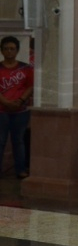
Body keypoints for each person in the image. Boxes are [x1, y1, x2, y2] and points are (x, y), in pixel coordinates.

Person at [0, 36, 33, 178]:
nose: (9, 52)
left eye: (12, 49)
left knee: (18, 140)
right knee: (0, 141)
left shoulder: (26, 68)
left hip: (21, 110)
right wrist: (6, 102)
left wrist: (20, 100)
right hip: (1, 110)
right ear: (1, 51)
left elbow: (30, 86)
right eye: (6, 49)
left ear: (17, 50)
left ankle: (20, 170)